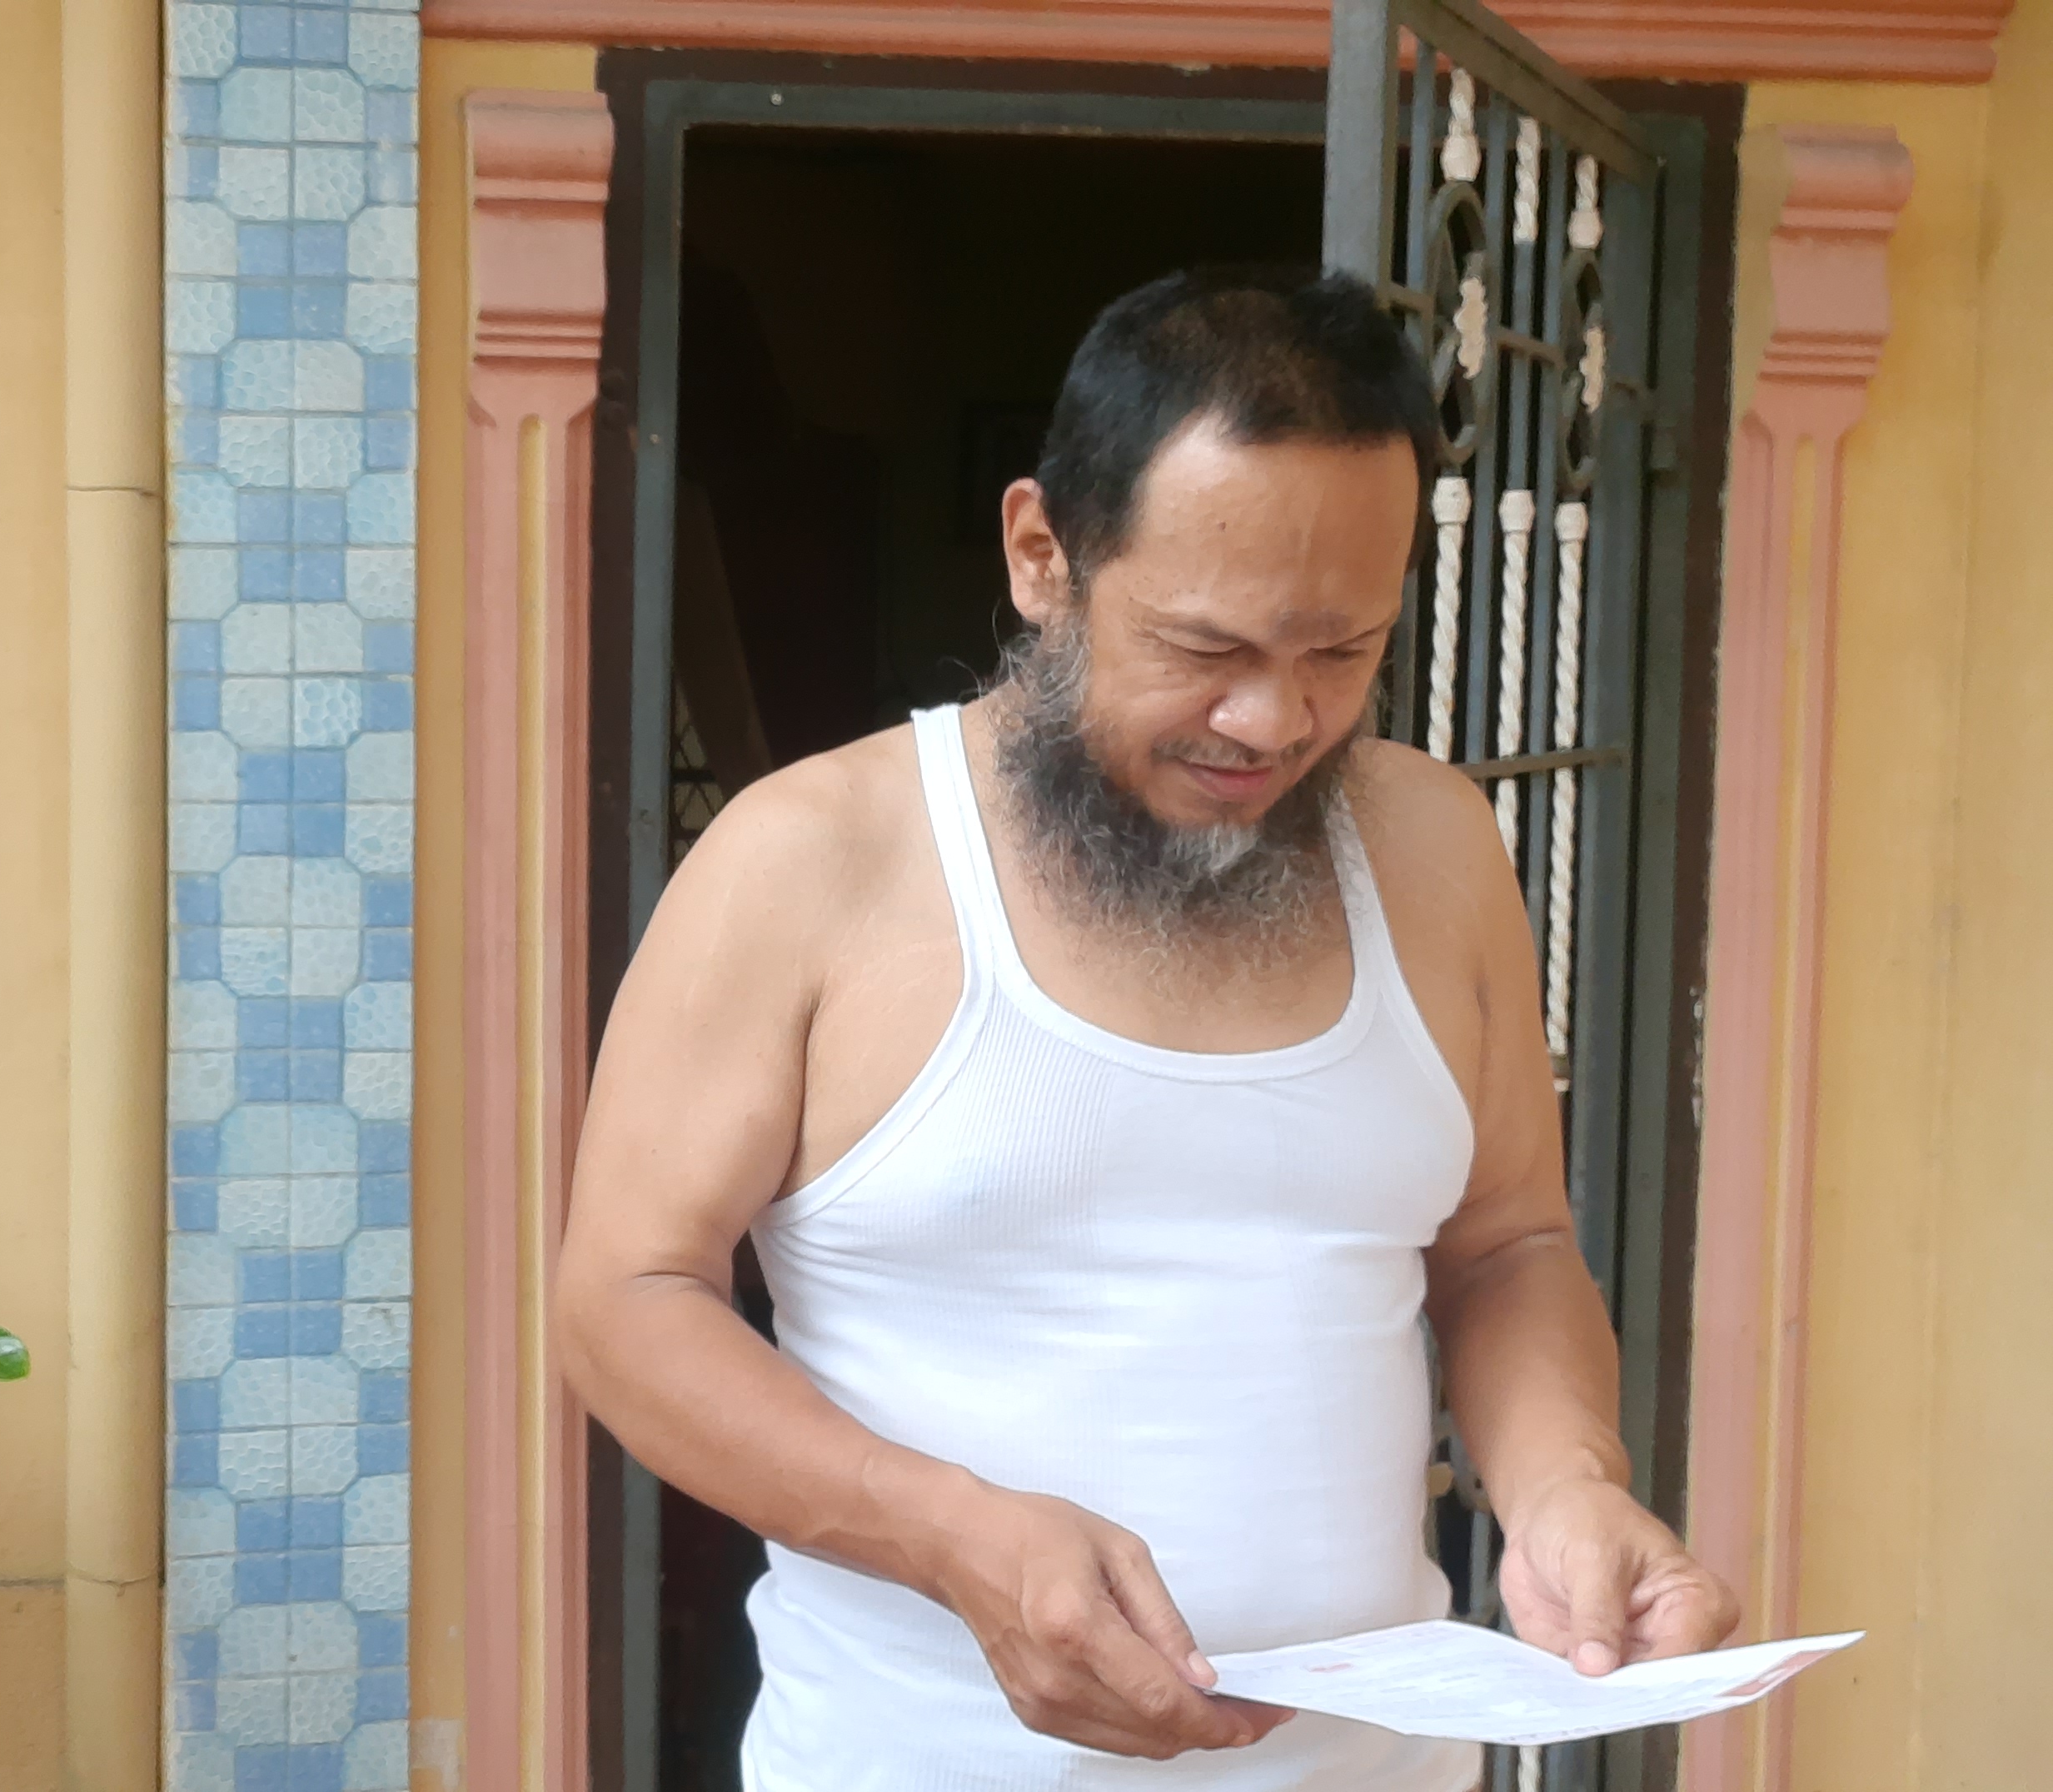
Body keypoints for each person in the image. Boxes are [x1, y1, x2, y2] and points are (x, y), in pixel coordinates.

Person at [554, 267, 1738, 1790]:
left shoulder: (1436, 849)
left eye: (1341, 652)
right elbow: (626, 1301)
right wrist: (950, 1537)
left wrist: (1567, 1484)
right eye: (1204, 648)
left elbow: (1507, 1242)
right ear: (1041, 555)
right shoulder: (809, 860)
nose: (1274, 721)